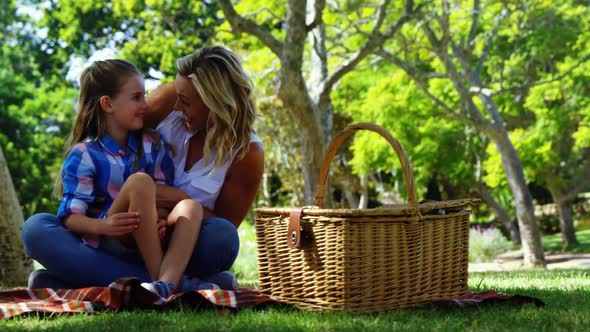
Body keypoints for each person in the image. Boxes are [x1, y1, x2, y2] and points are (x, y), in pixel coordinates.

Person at [22, 46, 264, 292]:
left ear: (214, 102)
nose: (176, 106)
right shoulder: (172, 100)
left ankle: (73, 281)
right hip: (115, 229)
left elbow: (221, 225)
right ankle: (180, 285)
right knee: (36, 230)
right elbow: (111, 127)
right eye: (139, 97)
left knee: (222, 238)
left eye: (187, 102)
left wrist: (169, 208)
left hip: (177, 239)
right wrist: (107, 213)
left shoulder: (248, 154)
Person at [52, 58, 215, 297]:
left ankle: (163, 286)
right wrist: (103, 225)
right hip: (112, 237)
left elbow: (163, 194)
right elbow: (70, 217)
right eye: (137, 97)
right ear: (107, 104)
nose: (146, 105)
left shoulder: (151, 144)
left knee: (190, 207)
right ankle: (168, 281)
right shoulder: (85, 154)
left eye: (145, 96)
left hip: (149, 239)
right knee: (140, 181)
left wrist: (160, 218)